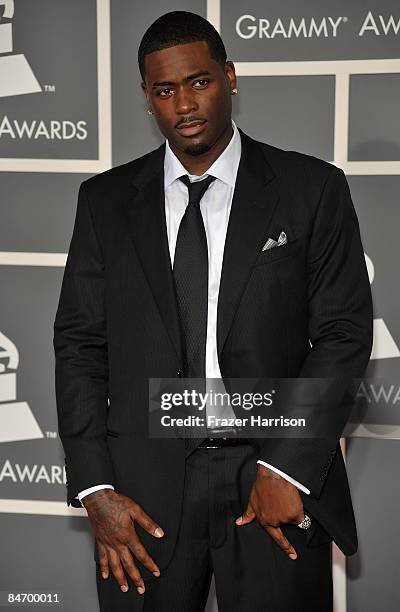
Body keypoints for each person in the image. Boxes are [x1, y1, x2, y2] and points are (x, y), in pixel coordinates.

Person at [53, 10, 373, 612]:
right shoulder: (104, 202)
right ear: (147, 100)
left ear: (229, 77)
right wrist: (96, 487)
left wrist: (291, 467)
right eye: (164, 90)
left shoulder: (312, 189)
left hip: (269, 471)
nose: (184, 104)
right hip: (144, 487)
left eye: (198, 82)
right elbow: (79, 345)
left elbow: (342, 333)